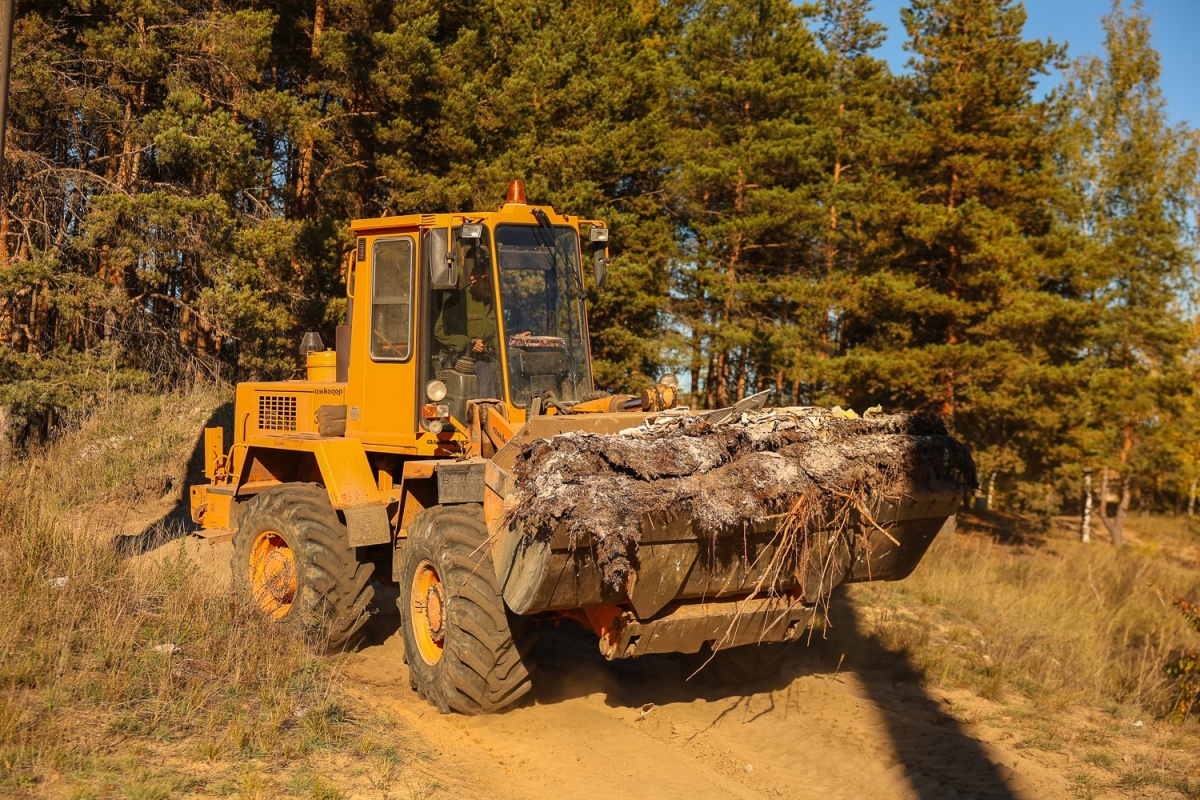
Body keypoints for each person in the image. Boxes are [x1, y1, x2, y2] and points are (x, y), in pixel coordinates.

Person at [434, 259, 500, 399]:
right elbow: (440, 331)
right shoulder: (458, 300)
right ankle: (487, 410)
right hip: (460, 356)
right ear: (473, 278)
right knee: (485, 371)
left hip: (488, 355)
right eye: (486, 280)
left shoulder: (496, 301)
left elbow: (495, 334)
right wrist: (468, 343)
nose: (490, 285)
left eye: (493, 280)